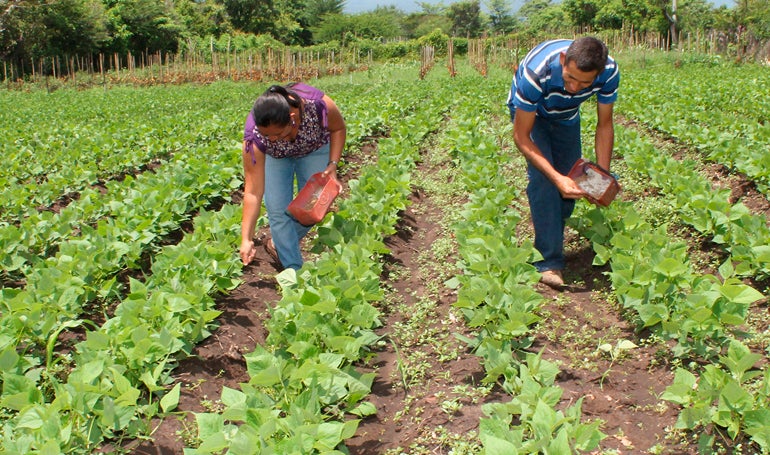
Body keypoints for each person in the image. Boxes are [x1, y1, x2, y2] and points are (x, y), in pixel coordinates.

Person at [507, 36, 620, 288]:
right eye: (570, 78)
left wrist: (602, 177)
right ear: (562, 61)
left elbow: (604, 125)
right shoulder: (536, 73)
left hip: (566, 116)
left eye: (584, 83)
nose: (575, 88)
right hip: (531, 116)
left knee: (573, 181)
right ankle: (548, 262)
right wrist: (555, 178)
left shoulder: (609, 72)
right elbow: (521, 137)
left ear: (598, 74)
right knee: (546, 181)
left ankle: (550, 225)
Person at [239, 82, 346, 270]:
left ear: (292, 117)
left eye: (278, 133)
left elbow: (338, 128)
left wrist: (333, 165)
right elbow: (253, 192)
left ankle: (278, 243)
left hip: (314, 149)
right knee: (278, 211)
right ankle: (294, 272)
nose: (272, 139)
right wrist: (246, 238)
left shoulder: (317, 105)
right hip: (276, 157)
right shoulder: (255, 136)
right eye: (267, 136)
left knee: (313, 208)